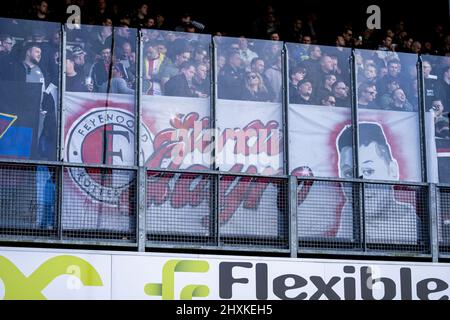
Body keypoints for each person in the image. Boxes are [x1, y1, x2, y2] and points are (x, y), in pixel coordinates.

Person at [336, 122, 418, 244]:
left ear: (392, 171)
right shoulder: (349, 213)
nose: (359, 185)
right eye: (348, 173)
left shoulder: (411, 224)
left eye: (369, 171)